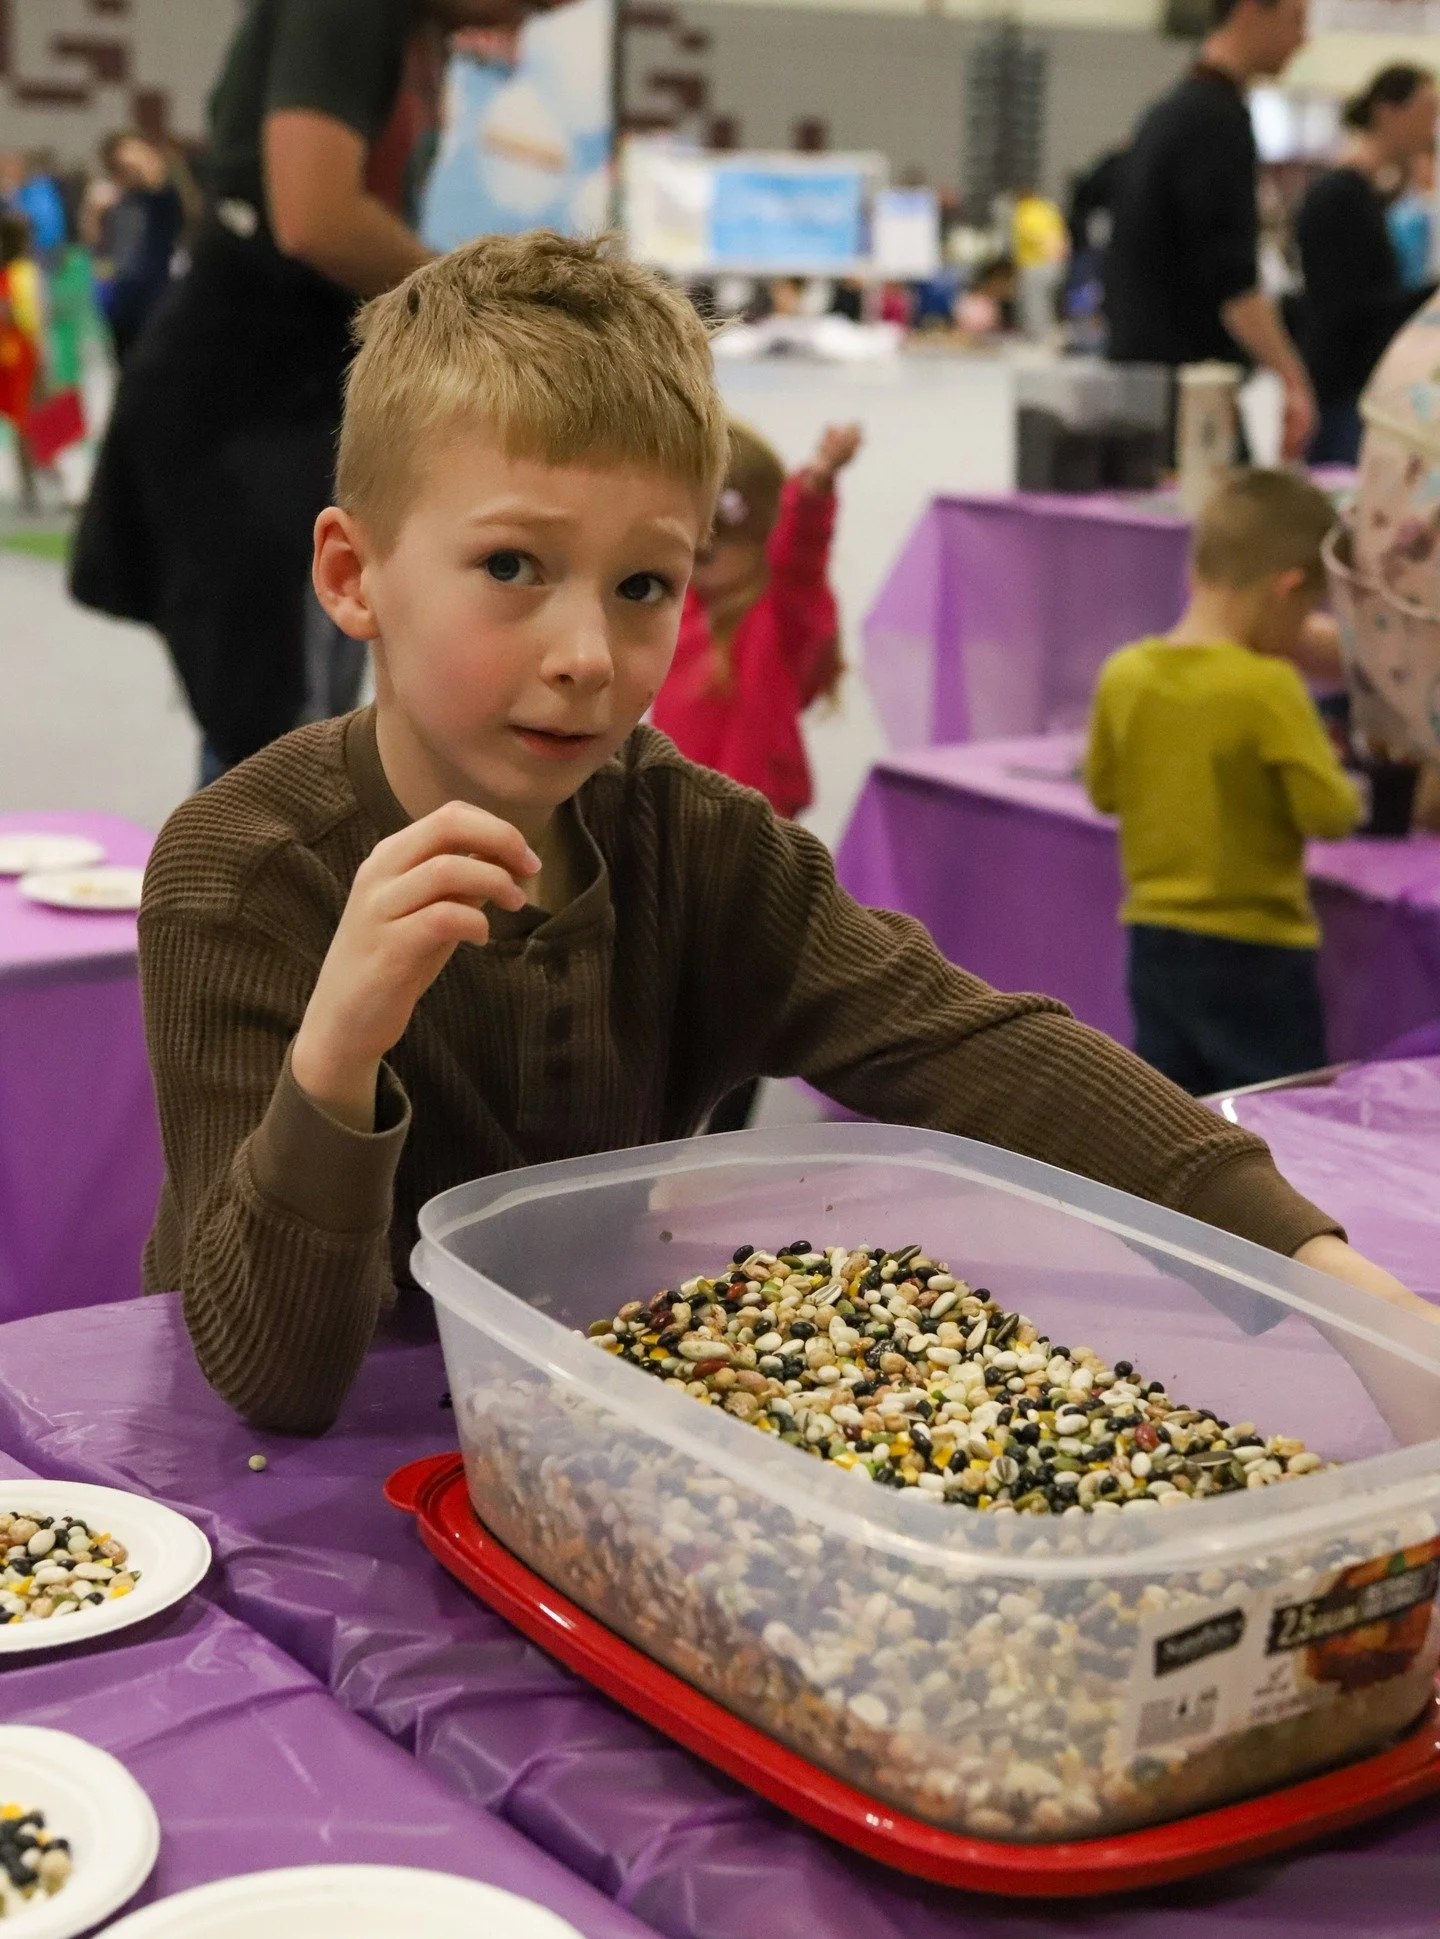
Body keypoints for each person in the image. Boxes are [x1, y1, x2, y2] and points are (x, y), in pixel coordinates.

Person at [136, 233, 1422, 1437]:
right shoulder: (241, 873)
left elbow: (972, 1047)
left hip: (571, 1429)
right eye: (514, 567)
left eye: (644, 586)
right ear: (356, 574)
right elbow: (274, 1381)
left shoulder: (697, 845)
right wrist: (340, 1052)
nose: (588, 656)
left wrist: (1330, 1280)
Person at [70, 0, 553, 786]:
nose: (527, 23)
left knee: (322, 734)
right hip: (243, 407)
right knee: (272, 753)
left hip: (309, 401)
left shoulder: (415, 32)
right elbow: (316, 216)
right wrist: (488, 310)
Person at [1086, 470, 1361, 1098]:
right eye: (1307, 611)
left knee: (1175, 1117)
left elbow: (1104, 791)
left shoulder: (1123, 674)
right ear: (1286, 587)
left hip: (1153, 943)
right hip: (1258, 954)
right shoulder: (1270, 688)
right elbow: (1331, 813)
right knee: (1279, 1120)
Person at [1104, 0, 1317, 461]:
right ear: (1250, 11)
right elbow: (1230, 277)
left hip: (1148, 392)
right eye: (1295, 21)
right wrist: (1293, 378)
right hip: (1189, 401)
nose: (1304, 41)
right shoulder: (1214, 119)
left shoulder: (1171, 110)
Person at [652, 417, 857, 822]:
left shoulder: (780, 618)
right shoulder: (677, 608)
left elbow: (801, 556)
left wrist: (815, 489)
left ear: (764, 533)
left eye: (708, 553)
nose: (694, 561)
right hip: (675, 815)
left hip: (752, 823)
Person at [1295, 66, 1439, 466]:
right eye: (1427, 111)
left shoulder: (1366, 195)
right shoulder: (1340, 198)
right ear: (1388, 111)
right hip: (1344, 390)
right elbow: (1350, 309)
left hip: (1357, 385)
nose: (1433, 127)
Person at [88, 134, 188, 364]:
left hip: (155, 295)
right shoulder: (115, 200)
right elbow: (95, 241)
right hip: (122, 297)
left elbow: (156, 181)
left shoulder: (163, 196)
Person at [0, 212, 44, 511]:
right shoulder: (20, 273)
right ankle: (31, 484)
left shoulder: (16, 274)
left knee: (26, 422)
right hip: (16, 355)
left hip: (17, 355)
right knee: (25, 422)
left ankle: (34, 483)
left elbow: (24, 316)